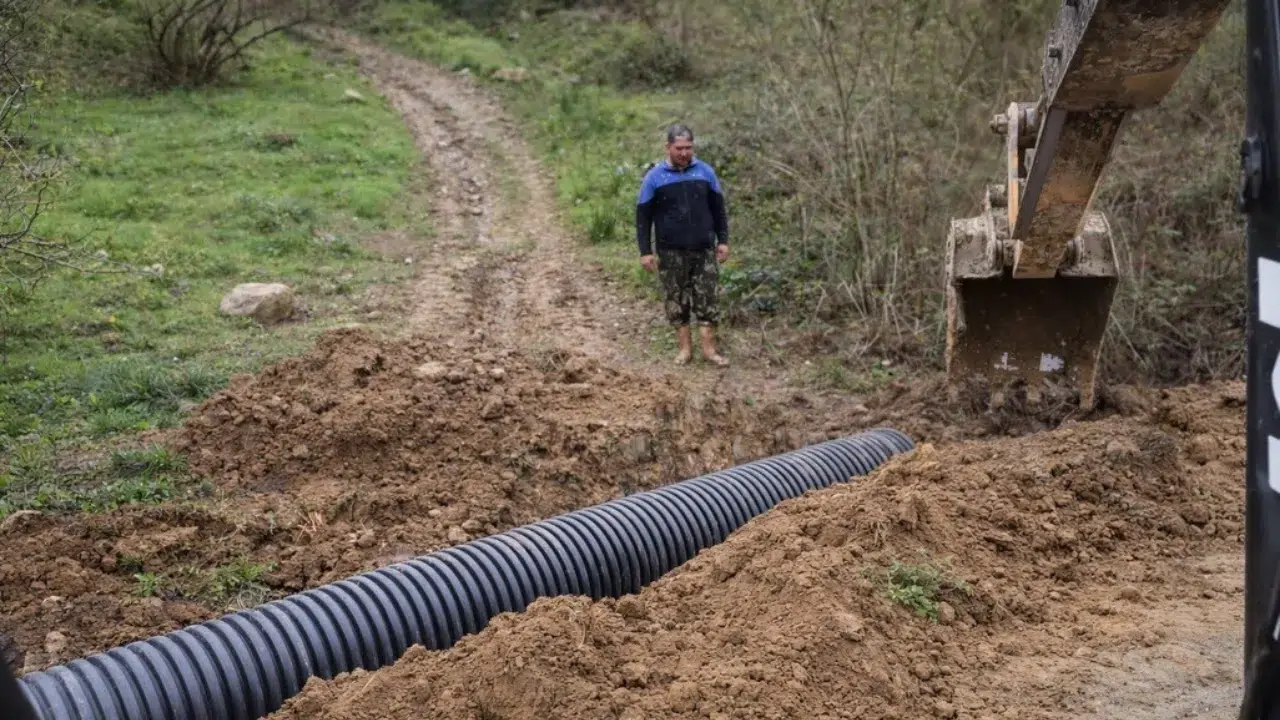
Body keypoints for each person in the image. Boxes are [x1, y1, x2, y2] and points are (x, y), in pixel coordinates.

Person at [635, 123, 730, 366]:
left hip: (704, 248)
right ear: (668, 147)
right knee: (676, 300)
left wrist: (723, 241)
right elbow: (643, 217)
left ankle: (709, 350)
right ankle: (685, 350)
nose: (684, 153)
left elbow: (719, 209)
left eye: (688, 147)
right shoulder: (654, 177)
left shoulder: (705, 172)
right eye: (679, 148)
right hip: (670, 251)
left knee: (707, 298)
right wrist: (645, 251)